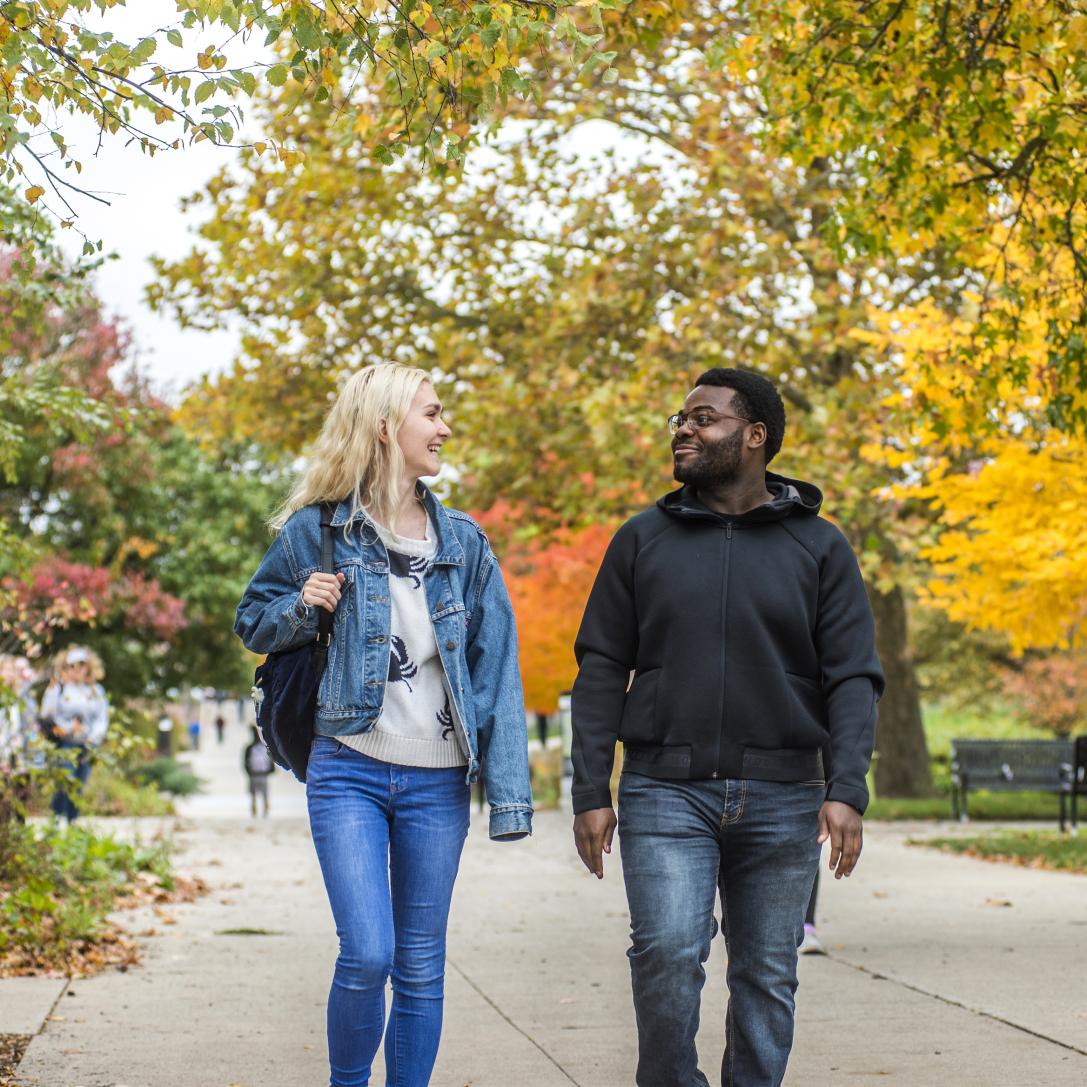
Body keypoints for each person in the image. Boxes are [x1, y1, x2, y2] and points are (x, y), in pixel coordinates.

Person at [570, 368, 883, 1087]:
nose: (683, 428)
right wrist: (591, 788)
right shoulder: (640, 539)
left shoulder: (820, 548)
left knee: (767, 975)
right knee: (667, 955)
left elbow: (853, 676)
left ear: (753, 437)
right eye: (679, 417)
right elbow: (598, 668)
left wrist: (846, 788)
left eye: (702, 418)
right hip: (662, 789)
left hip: (783, 795)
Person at [235, 363, 533, 1087]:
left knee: (420, 963)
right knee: (368, 952)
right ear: (383, 425)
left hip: (437, 780)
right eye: (431, 413)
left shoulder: (463, 542)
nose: (444, 427)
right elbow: (253, 621)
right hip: (349, 767)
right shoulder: (318, 530)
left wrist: (508, 794)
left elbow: (496, 672)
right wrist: (302, 605)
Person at [38, 646, 110, 823]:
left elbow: (101, 718)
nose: (77, 670)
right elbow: (47, 714)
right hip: (64, 743)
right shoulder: (59, 688)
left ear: (88, 667)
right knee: (64, 782)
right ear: (66, 667)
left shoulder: (95, 691)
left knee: (79, 785)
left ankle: (72, 823)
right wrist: (69, 727)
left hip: (86, 744)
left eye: (81, 665)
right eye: (73, 666)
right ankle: (56, 821)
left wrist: (93, 737)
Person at [243, 725, 274, 817]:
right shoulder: (264, 747)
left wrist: (248, 772)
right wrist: (270, 770)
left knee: (253, 794)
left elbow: (245, 761)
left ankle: (254, 811)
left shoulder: (249, 748)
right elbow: (270, 760)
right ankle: (265, 810)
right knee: (264, 794)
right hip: (263, 774)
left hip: (253, 773)